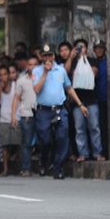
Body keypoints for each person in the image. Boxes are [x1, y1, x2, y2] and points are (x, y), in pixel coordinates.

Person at [32, 44, 88, 180]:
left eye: (49, 55)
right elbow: (37, 90)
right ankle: (44, 161)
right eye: (44, 56)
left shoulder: (61, 70)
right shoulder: (37, 71)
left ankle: (58, 168)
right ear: (41, 57)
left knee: (62, 139)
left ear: (53, 56)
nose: (47, 58)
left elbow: (69, 88)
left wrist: (80, 104)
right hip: (44, 111)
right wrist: (45, 73)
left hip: (59, 109)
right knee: (45, 140)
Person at [70, 39, 104, 162]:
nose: (80, 50)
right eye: (78, 48)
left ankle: (97, 153)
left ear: (87, 49)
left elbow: (93, 73)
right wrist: (72, 57)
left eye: (82, 47)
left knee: (94, 127)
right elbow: (67, 72)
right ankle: (82, 153)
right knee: (79, 129)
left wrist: (83, 60)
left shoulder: (92, 61)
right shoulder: (73, 62)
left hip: (92, 101)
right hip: (77, 102)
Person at [12, 56, 38, 177]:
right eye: (30, 65)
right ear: (27, 66)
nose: (33, 67)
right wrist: (13, 115)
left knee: (44, 140)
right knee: (27, 143)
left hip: (41, 112)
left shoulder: (43, 78)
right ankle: (26, 168)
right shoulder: (21, 80)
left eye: (35, 64)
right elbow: (16, 98)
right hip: (26, 114)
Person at [0, 66, 20, 176]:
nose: (3, 77)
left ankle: (19, 168)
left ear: (9, 75)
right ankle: (5, 169)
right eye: (1, 75)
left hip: (16, 118)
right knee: (5, 146)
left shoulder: (16, 86)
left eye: (5, 74)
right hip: (4, 118)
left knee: (18, 144)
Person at [93, 40, 108, 159]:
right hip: (94, 99)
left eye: (101, 48)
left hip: (105, 98)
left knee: (104, 126)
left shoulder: (107, 62)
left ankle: (106, 151)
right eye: (97, 48)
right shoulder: (91, 63)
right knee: (96, 126)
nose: (99, 50)